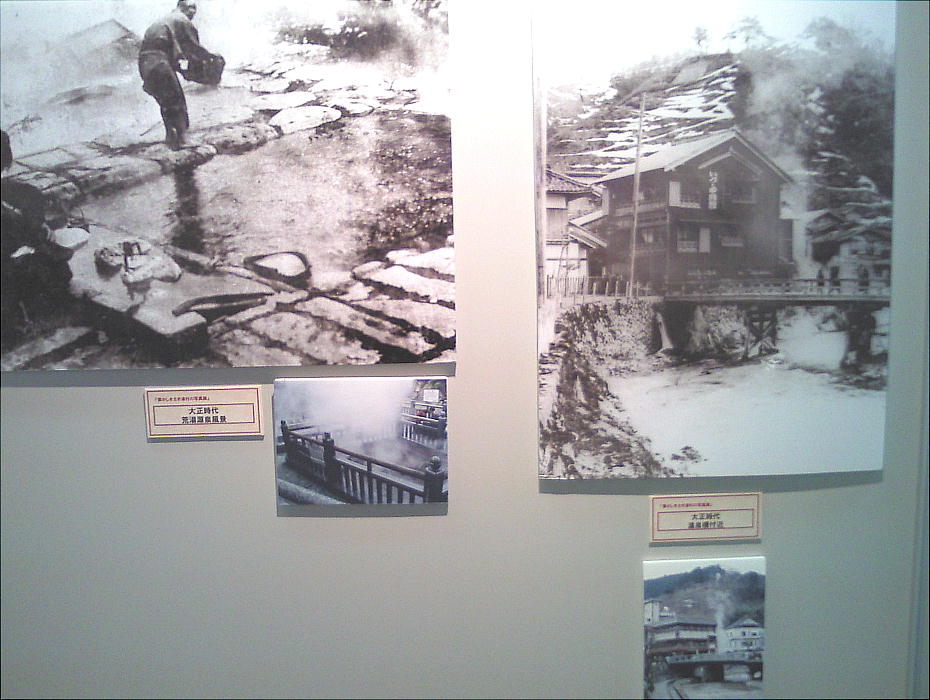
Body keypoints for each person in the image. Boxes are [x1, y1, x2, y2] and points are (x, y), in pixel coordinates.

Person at [138, 0, 215, 150]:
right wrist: (211, 56)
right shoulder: (181, 19)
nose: (194, 13)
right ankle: (183, 139)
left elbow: (167, 53)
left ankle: (170, 136)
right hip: (159, 62)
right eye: (192, 8)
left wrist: (181, 71)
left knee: (166, 101)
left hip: (145, 64)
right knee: (177, 100)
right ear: (184, 7)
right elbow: (193, 48)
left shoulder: (164, 21)